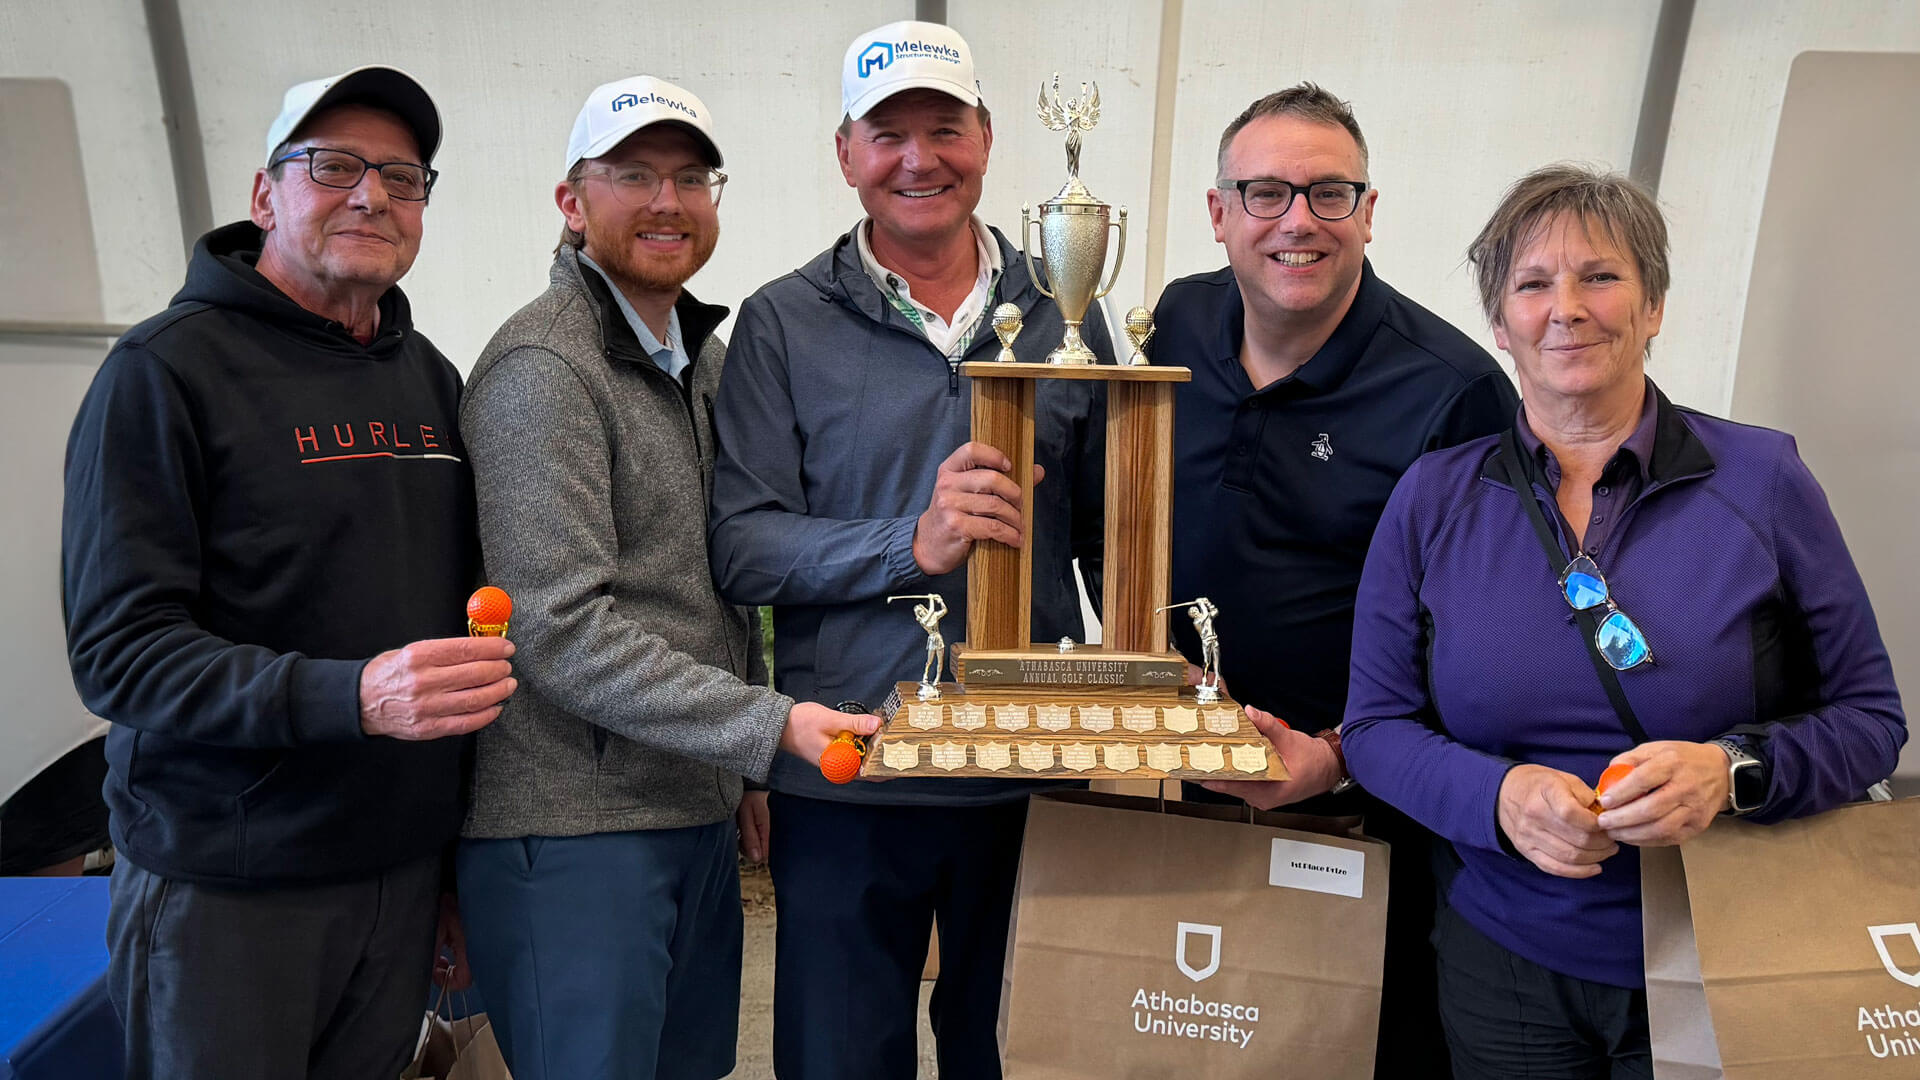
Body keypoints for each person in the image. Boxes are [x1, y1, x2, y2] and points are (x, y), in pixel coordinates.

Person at [1341, 163, 1907, 1078]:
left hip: (1731, 945)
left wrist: (1732, 771)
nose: (1566, 307)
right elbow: (1373, 728)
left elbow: (1873, 721)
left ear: (1653, 306)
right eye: (1532, 284)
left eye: (1600, 277)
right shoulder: (1433, 499)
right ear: (1501, 326)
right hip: (1505, 963)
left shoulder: (1762, 481)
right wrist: (1497, 798)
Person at [61, 66, 516, 1079]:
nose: (373, 196)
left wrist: (445, 872)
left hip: (395, 879)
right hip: (230, 885)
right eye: (337, 166)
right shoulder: (164, 374)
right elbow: (120, 655)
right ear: (266, 194)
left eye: (403, 177)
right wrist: (349, 694)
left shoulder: (427, 375)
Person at [707, 20, 1109, 1078]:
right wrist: (910, 544)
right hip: (854, 775)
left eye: (944, 128)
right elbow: (743, 548)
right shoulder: (782, 324)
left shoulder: (1070, 311)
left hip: (1031, 778)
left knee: (1016, 1060)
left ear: (986, 138)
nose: (918, 158)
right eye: (888, 135)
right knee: (841, 1060)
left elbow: (1115, 541)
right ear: (846, 153)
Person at [454, 75, 873, 1080]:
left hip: (687, 807)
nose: (665, 200)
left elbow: (728, 576)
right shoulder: (542, 372)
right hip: (574, 834)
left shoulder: (702, 358)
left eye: (691, 176)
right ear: (571, 201)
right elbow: (556, 628)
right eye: (632, 173)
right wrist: (771, 727)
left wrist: (741, 767)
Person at [1155, 84, 1516, 1077]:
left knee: (1357, 1046)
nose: (1297, 223)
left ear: (1369, 212)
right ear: (1218, 214)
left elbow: (1488, 651)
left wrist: (1333, 756)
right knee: (1204, 1039)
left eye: (1329, 193)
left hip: (1374, 804)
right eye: (1265, 193)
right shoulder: (1173, 327)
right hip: (1193, 786)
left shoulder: (1451, 391)